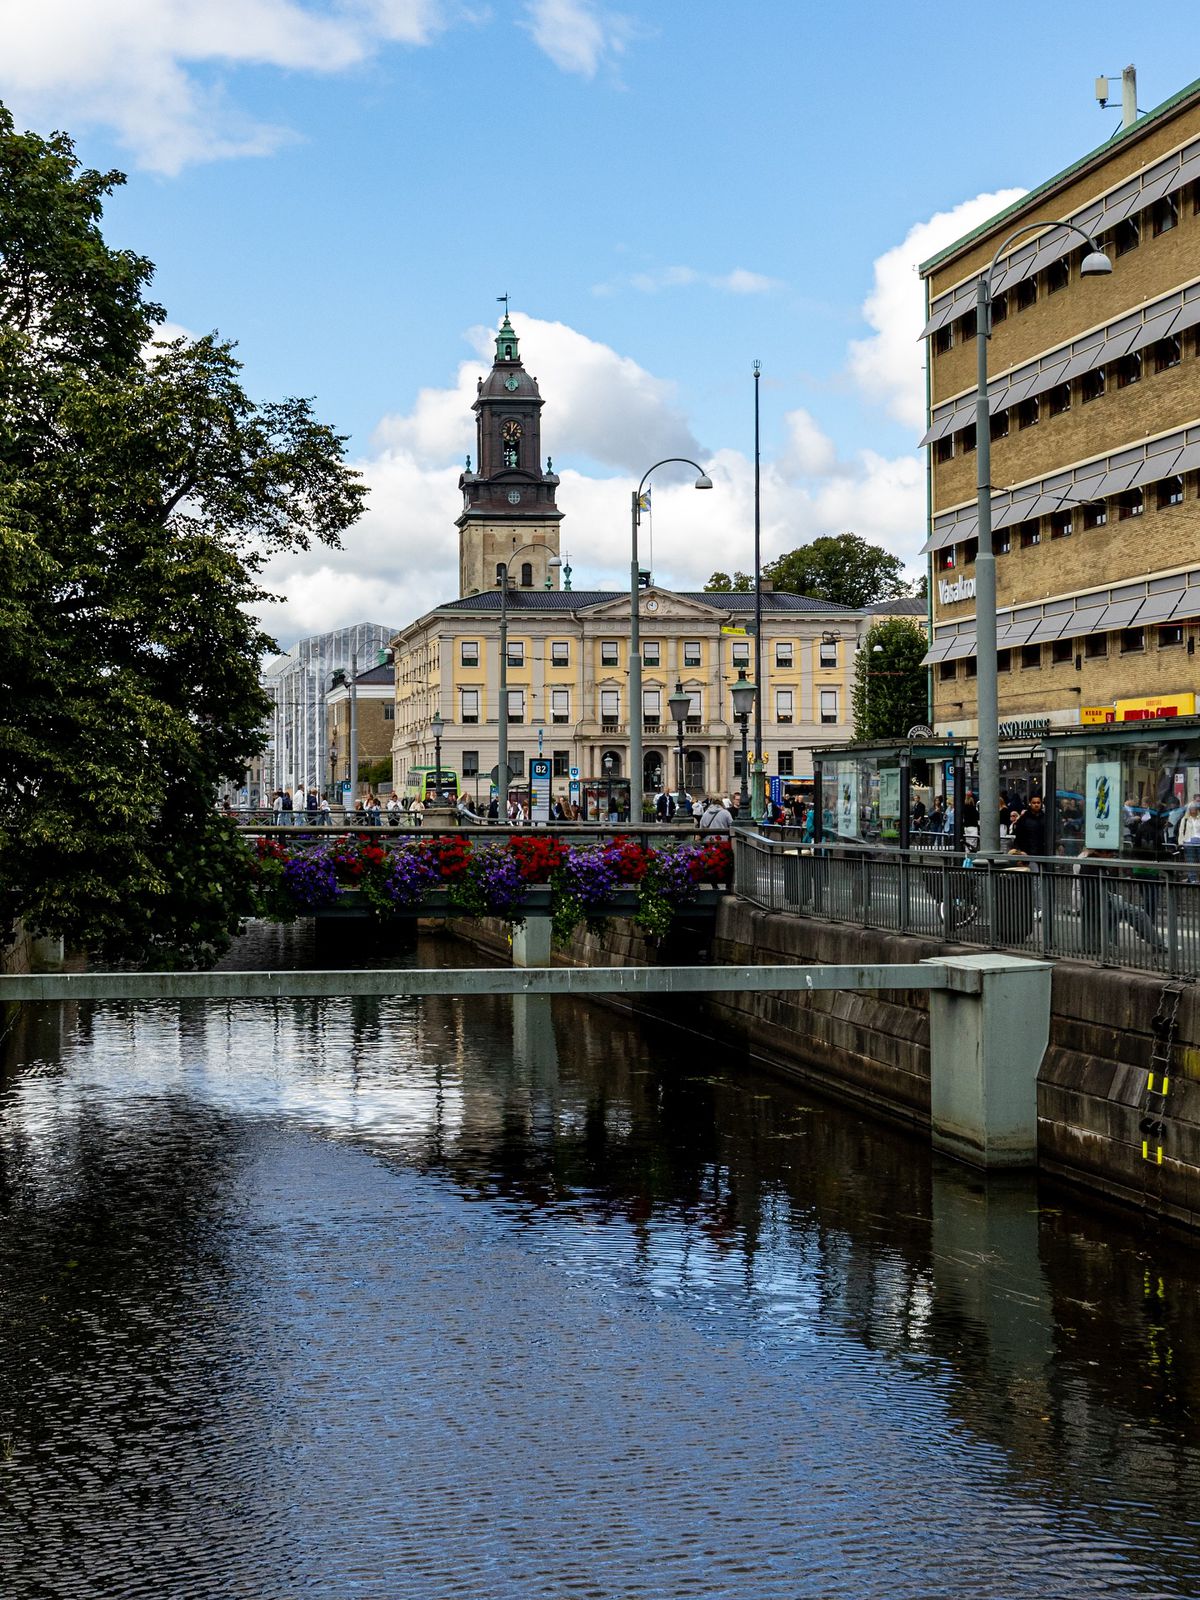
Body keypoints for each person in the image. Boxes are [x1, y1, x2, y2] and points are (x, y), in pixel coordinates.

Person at [1179, 800, 1200, 881]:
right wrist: (1181, 843)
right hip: (1189, 842)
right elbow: (1181, 831)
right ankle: (1193, 879)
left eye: (1194, 809)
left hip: (1199, 842)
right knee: (1191, 861)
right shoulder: (1184, 820)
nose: (1193, 811)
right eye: (1191, 809)